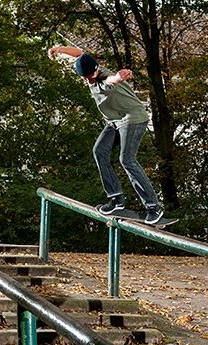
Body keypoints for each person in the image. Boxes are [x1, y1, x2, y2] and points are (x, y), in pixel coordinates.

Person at [47, 45, 163, 224]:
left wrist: (118, 77)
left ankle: (153, 207)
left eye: (91, 77)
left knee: (127, 160)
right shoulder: (88, 66)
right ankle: (116, 198)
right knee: (99, 150)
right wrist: (59, 49)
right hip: (115, 121)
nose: (88, 81)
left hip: (133, 118)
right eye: (85, 78)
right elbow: (79, 54)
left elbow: (112, 80)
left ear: (97, 70)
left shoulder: (103, 79)